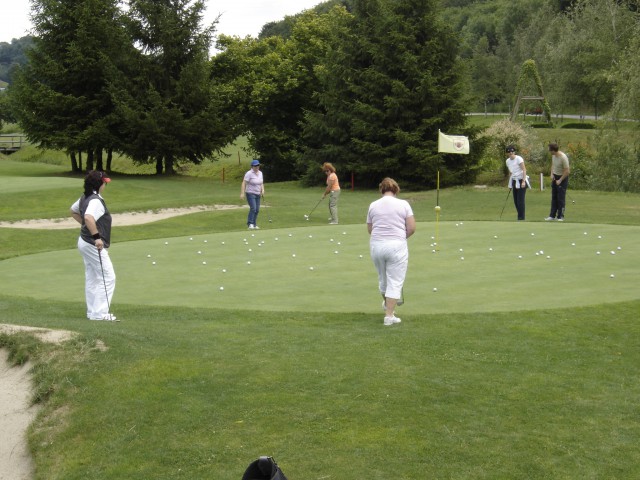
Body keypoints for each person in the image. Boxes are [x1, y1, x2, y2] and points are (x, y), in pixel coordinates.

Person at [366, 178, 416, 326]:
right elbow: (411, 228)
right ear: (396, 190)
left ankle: (389, 309)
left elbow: (370, 229)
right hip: (396, 245)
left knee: (383, 279)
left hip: (377, 245)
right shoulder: (403, 204)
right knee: (395, 281)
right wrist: (400, 237)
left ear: (381, 189)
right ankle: (389, 316)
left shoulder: (373, 205)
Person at [70, 170, 117, 321]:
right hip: (92, 244)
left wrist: (87, 227)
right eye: (104, 183)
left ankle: (92, 312)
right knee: (108, 276)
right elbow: (89, 217)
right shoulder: (95, 200)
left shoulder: (86, 197)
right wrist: (96, 236)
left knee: (92, 277)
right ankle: (100, 314)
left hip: (84, 241)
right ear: (99, 184)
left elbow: (74, 211)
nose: (105, 185)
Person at [545, 143, 570, 221]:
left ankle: (560, 216)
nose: (549, 151)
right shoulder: (553, 156)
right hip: (555, 177)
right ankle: (552, 216)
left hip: (562, 178)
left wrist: (560, 180)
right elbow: (553, 165)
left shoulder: (563, 157)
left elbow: (567, 171)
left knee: (560, 198)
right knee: (554, 197)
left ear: (553, 150)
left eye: (550, 150)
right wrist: (552, 174)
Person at [505, 145, 529, 221]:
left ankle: (521, 218)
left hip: (521, 180)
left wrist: (523, 181)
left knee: (520, 200)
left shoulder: (519, 159)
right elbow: (510, 173)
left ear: (514, 152)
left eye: (512, 151)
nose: (511, 153)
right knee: (515, 200)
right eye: (509, 152)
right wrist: (510, 183)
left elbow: (524, 170)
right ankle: (520, 216)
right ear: (507, 153)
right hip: (514, 180)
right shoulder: (507, 161)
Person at [241, 159, 264, 229]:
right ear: (252, 166)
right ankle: (250, 223)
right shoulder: (249, 173)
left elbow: (261, 183)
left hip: (258, 194)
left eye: (258, 165)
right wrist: (242, 193)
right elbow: (244, 183)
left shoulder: (260, 173)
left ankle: (254, 224)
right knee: (253, 208)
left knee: (257, 209)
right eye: (255, 166)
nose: (257, 167)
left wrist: (263, 190)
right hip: (250, 193)